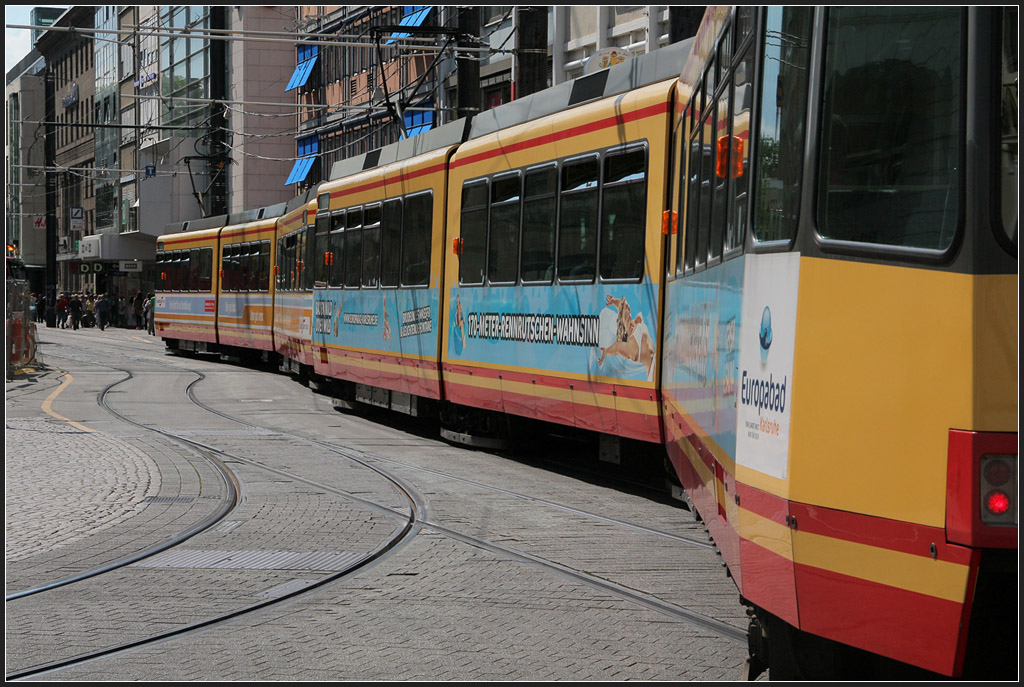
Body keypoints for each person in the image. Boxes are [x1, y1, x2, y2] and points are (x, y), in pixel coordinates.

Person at [597, 294, 656, 382]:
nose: (628, 307)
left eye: (627, 306)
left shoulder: (637, 320)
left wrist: (613, 301)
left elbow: (622, 306)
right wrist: (604, 353)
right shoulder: (630, 346)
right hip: (653, 373)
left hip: (657, 362)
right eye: (625, 310)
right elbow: (616, 347)